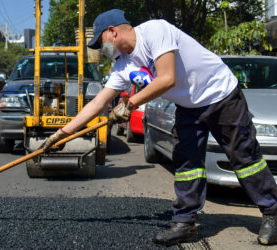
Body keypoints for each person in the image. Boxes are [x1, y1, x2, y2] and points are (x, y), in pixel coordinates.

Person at [40, 9, 277, 246]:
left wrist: (129, 104)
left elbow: (167, 78)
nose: (102, 50)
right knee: (186, 163)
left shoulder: (156, 30)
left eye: (101, 43)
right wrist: (61, 134)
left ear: (112, 32)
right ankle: (185, 223)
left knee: (244, 157)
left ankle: (272, 212)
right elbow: (98, 103)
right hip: (188, 106)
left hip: (221, 94)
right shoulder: (123, 65)